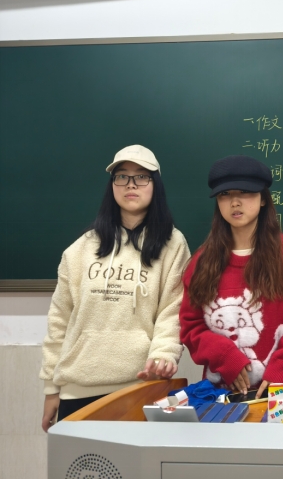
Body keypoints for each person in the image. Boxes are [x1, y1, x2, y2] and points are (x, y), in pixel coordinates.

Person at [40, 145, 190, 431]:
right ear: (112, 185)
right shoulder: (82, 248)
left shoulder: (173, 244)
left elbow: (173, 309)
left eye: (141, 176)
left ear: (155, 184)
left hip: (141, 388)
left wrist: (164, 355)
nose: (130, 184)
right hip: (78, 388)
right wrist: (51, 388)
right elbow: (59, 319)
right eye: (122, 176)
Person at [179, 155, 283, 398]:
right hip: (222, 396)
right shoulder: (201, 262)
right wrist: (224, 356)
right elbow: (191, 326)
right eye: (225, 194)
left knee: (280, 426)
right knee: (226, 426)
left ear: (263, 199)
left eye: (245, 192)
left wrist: (282, 367)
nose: (235, 202)